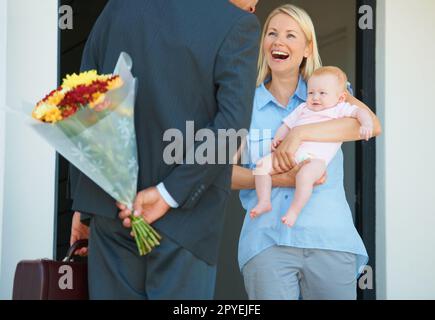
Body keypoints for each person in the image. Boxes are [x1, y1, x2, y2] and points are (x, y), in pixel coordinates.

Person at [69, 0, 260, 300]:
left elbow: (81, 95)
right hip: (184, 220)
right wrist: (169, 193)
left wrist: (83, 202)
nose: (252, 7)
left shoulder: (118, 7)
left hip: (110, 207)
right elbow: (231, 126)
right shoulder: (236, 25)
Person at [231, 4, 382, 300]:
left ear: (307, 47)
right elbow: (218, 173)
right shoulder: (242, 103)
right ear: (263, 44)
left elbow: (371, 126)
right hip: (266, 242)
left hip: (329, 239)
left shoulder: (332, 92)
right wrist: (279, 179)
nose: (279, 41)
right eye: (272, 33)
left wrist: (299, 132)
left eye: (290, 35)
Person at [250, 66, 374, 228]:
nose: (315, 97)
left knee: (305, 177)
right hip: (290, 156)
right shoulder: (303, 108)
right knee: (261, 166)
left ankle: (294, 211)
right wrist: (278, 138)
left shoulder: (339, 109)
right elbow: (286, 124)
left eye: (322, 93)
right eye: (310, 93)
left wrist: (366, 123)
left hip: (315, 160)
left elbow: (362, 113)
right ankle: (264, 200)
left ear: (341, 97)